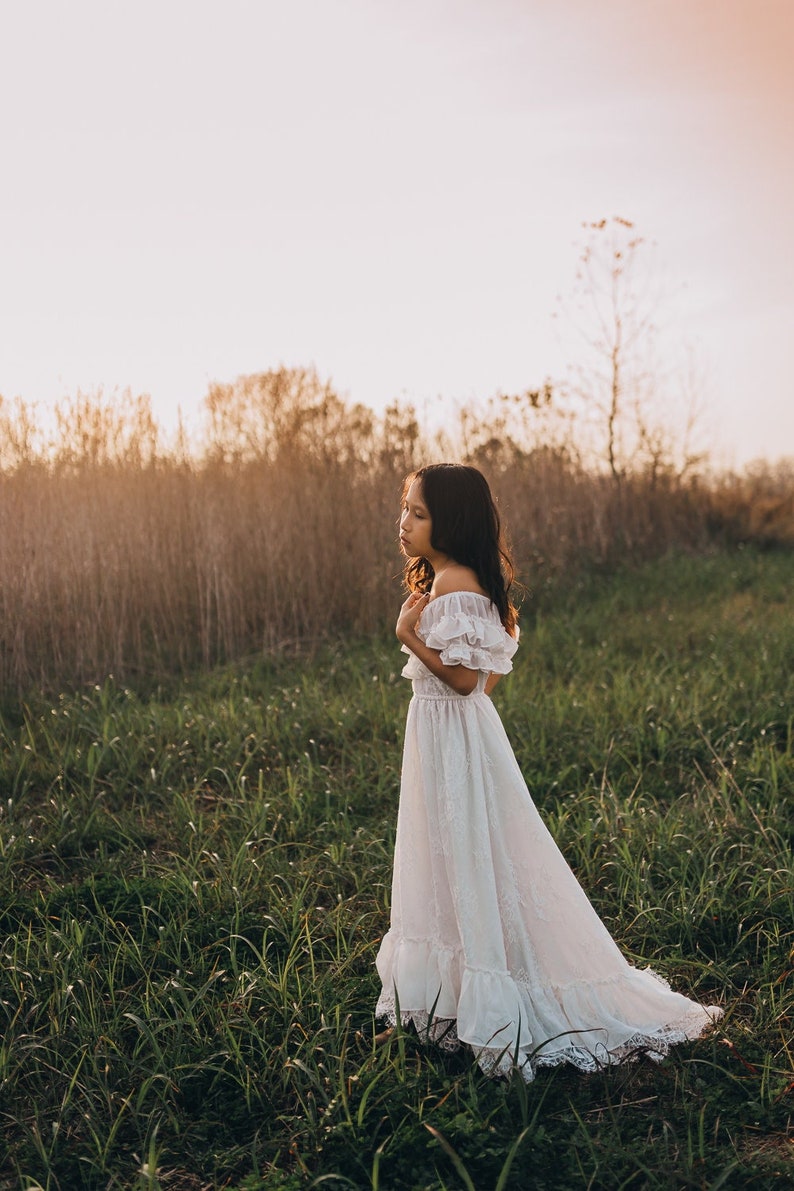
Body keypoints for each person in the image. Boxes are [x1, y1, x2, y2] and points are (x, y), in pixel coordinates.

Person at [374, 462, 722, 1081]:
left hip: (451, 736)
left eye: (418, 513)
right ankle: (463, 993)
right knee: (467, 855)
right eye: (405, 508)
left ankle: (481, 1001)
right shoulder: (474, 580)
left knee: (457, 855)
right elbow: (488, 682)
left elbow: (461, 681)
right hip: (462, 737)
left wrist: (408, 634)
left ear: (450, 522)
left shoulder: (452, 587)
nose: (403, 523)